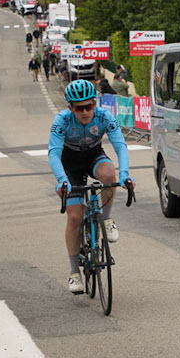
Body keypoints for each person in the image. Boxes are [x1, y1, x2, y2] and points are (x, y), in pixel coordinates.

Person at [48, 78, 132, 296]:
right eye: (79, 108)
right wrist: (61, 180)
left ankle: (106, 218)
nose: (85, 112)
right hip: (70, 164)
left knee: (108, 175)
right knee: (75, 217)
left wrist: (125, 176)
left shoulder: (104, 116)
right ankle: (74, 271)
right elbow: (54, 153)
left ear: (95, 103)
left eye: (89, 106)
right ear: (70, 108)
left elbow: (120, 146)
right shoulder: (62, 121)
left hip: (93, 156)